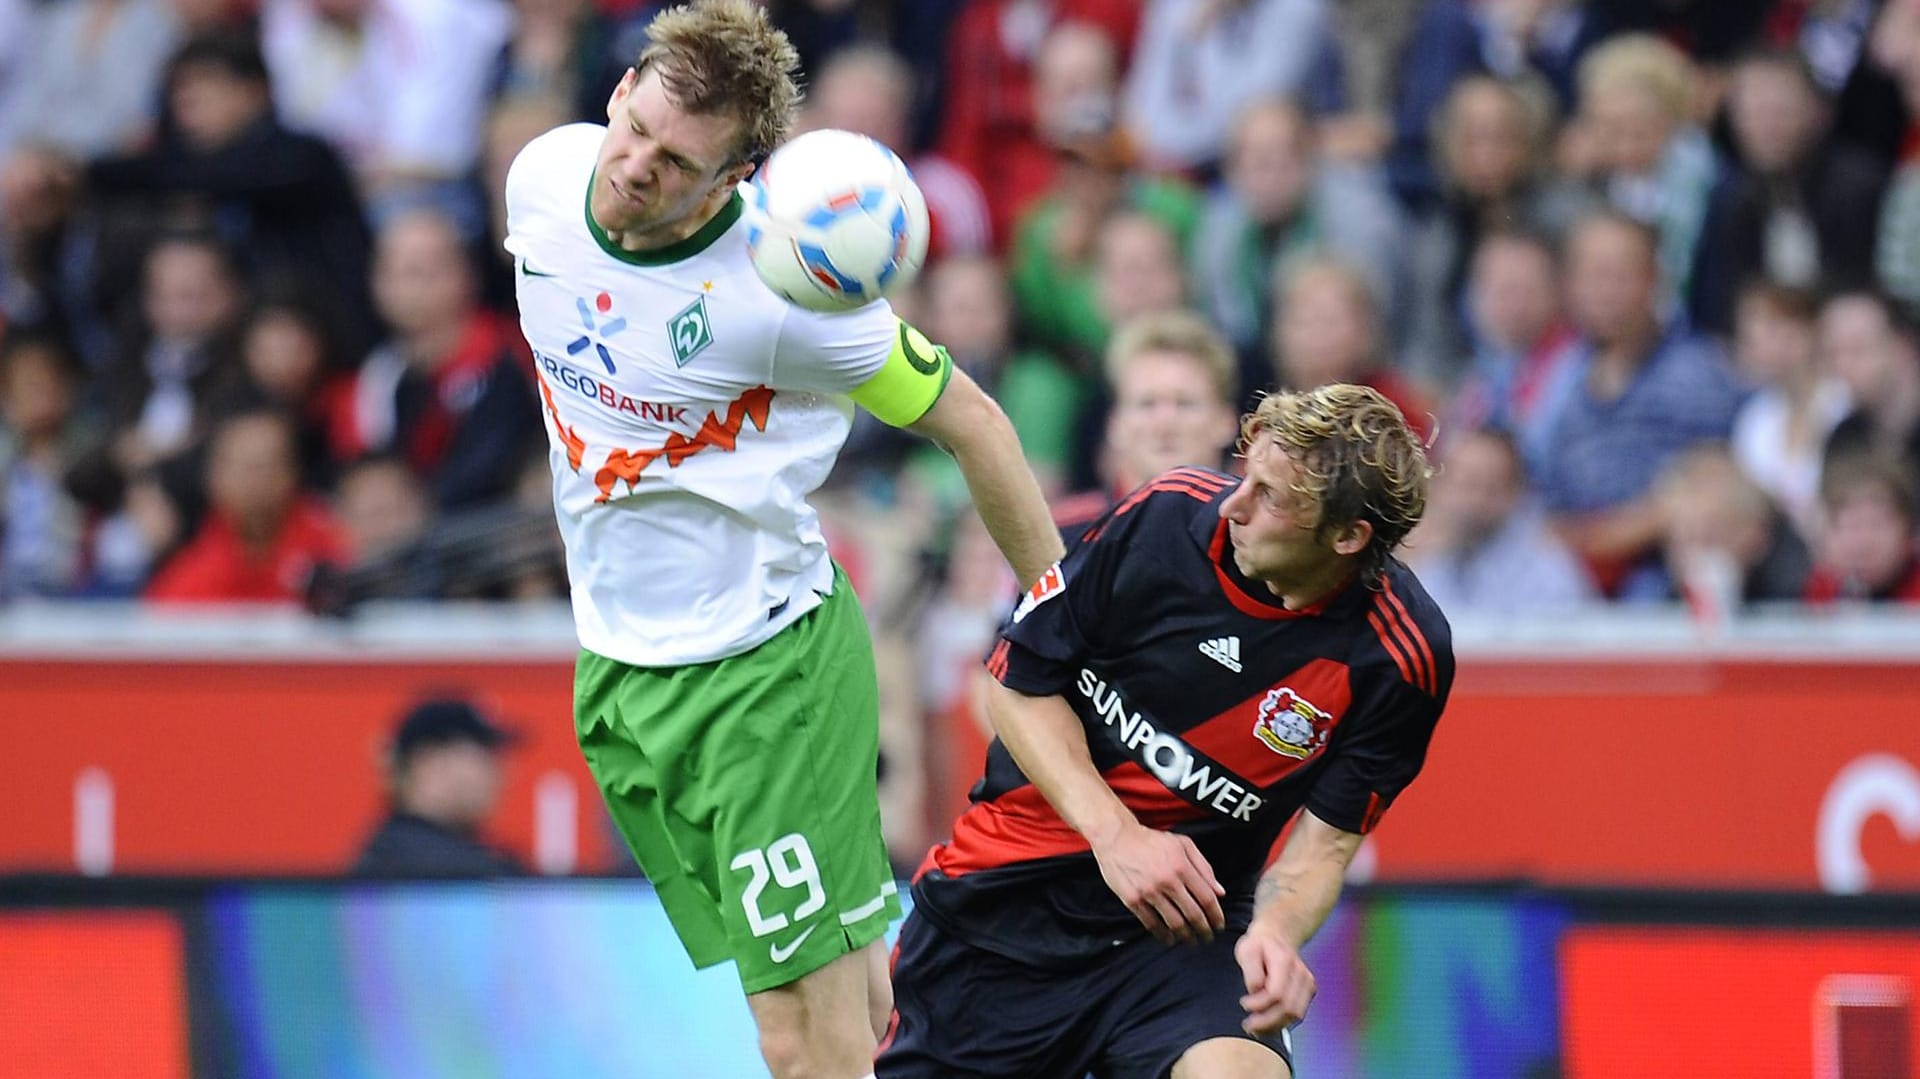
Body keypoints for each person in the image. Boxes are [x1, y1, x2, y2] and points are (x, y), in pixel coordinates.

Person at [501, 5, 1064, 1077]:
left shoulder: (792, 298)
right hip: (623, 666)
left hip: (767, 672)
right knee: (826, 1002)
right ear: (621, 89)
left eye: (677, 164)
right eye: (639, 132)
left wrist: (1057, 604)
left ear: (737, 177)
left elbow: (975, 423)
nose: (635, 170)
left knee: (810, 1037)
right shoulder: (542, 178)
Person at [880, 384, 1451, 1079]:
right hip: (1006, 902)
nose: (1235, 504)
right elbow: (1015, 685)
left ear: (1346, 536)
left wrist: (1276, 931)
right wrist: (1118, 836)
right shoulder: (1166, 516)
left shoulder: (1401, 656)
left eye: (1271, 497)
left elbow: (1324, 847)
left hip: (1182, 939)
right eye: (1247, 476)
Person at [1057, 309, 1242, 542]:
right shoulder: (1063, 536)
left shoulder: (1254, 534)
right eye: (1147, 404)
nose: (1164, 423)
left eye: (1185, 403)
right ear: (1116, 424)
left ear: (1226, 422)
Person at [1405, 426, 1593, 613]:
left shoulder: (1548, 576)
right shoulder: (1431, 565)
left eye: (1488, 487)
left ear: (1515, 493)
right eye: (1463, 484)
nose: (1471, 501)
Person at [353, 695, 528, 877]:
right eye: (487, 756)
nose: (502, 775)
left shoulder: (383, 849)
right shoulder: (459, 873)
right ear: (429, 763)